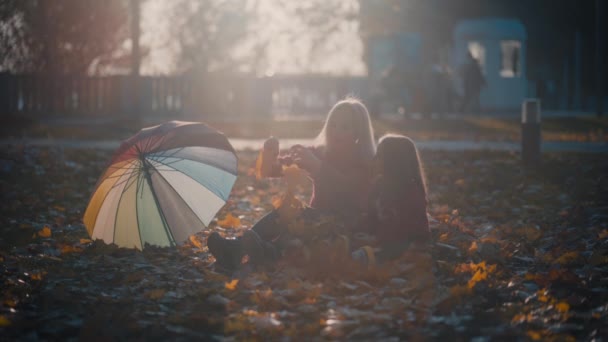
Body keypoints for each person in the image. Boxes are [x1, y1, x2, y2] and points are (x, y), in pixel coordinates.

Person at [207, 97, 376, 270]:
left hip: (341, 227)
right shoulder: (322, 152)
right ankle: (236, 249)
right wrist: (270, 157)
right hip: (314, 218)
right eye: (333, 125)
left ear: (358, 133)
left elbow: (346, 189)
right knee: (288, 211)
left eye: (344, 127)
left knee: (301, 219)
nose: (336, 131)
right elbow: (279, 169)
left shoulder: (362, 162)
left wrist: (318, 167)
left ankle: (269, 253)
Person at [351, 134, 430, 267]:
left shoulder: (411, 193)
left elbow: (404, 230)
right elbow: (372, 216)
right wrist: (361, 231)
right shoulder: (379, 185)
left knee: (364, 257)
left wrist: (376, 239)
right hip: (381, 240)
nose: (374, 159)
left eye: (379, 156)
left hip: (406, 245)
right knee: (349, 244)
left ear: (393, 161)